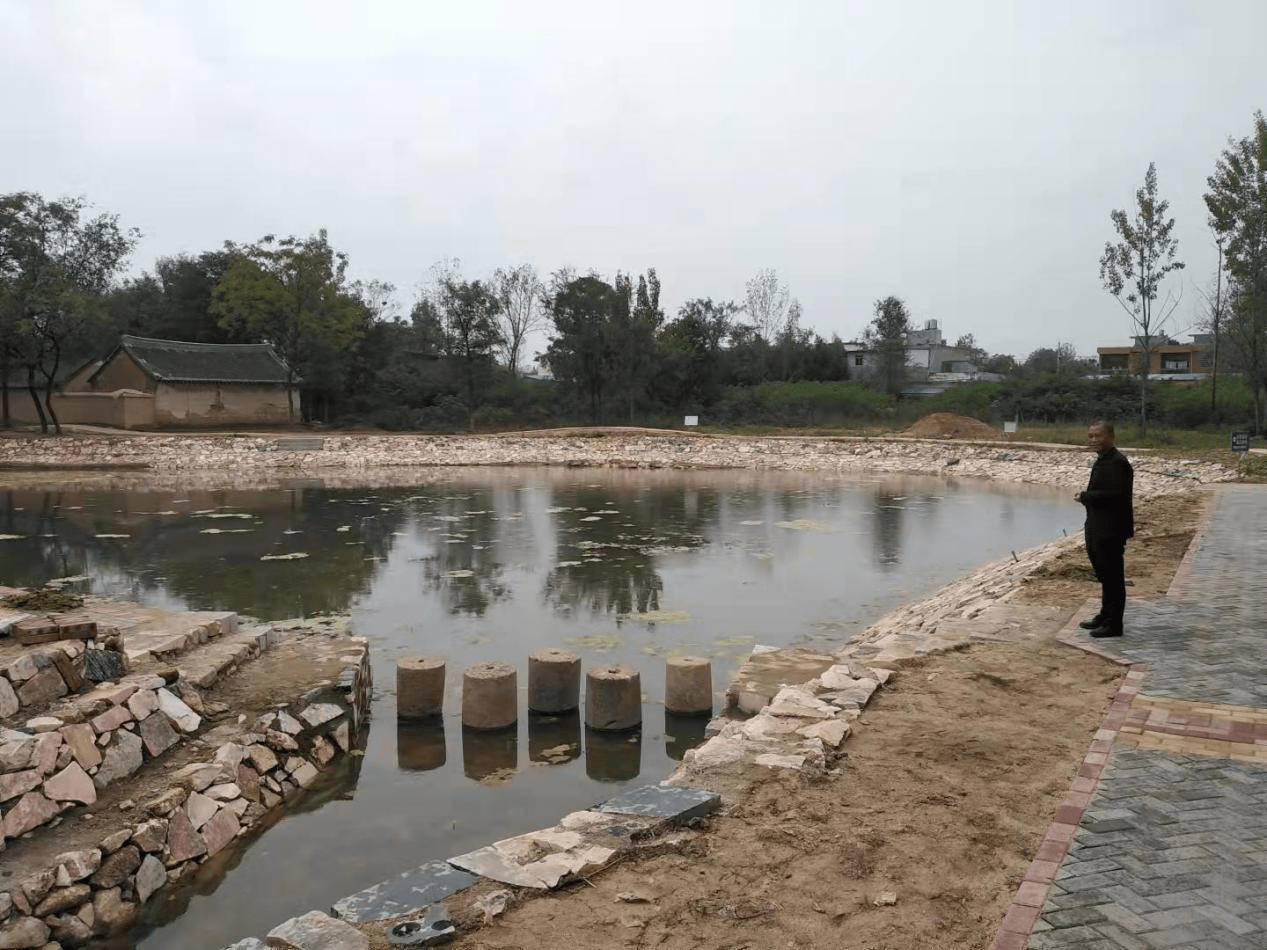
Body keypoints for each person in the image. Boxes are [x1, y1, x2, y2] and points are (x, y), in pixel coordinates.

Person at [1075, 421, 1134, 637]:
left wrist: (1085, 496)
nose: (1093, 440)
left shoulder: (1118, 462)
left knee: (1113, 578)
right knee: (1103, 575)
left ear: (1111, 436)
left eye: (1098, 436)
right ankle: (1104, 615)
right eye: (1090, 436)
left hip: (1111, 529)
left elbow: (1117, 496)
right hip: (1097, 526)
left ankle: (1113, 624)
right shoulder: (1103, 461)